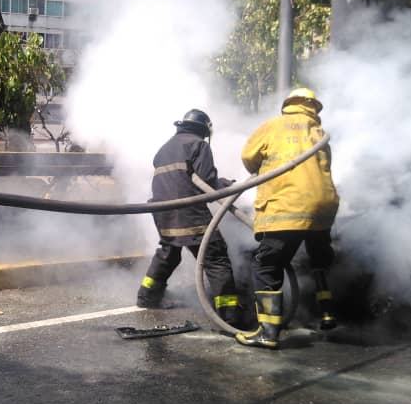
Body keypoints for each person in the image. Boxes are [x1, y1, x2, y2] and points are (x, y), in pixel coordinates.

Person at [236, 87, 340, 349]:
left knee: (267, 264)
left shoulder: (273, 126)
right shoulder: (320, 134)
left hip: (288, 206)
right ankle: (327, 313)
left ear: (288, 104)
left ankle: (268, 332)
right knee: (318, 259)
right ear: (314, 107)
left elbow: (249, 158)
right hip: (323, 207)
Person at [135, 109, 242, 327]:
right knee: (216, 258)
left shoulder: (163, 149)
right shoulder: (199, 145)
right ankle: (229, 315)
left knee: (169, 252)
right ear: (204, 130)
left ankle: (147, 296)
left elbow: (177, 181)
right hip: (189, 213)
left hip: (163, 212)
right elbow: (207, 182)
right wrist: (226, 184)